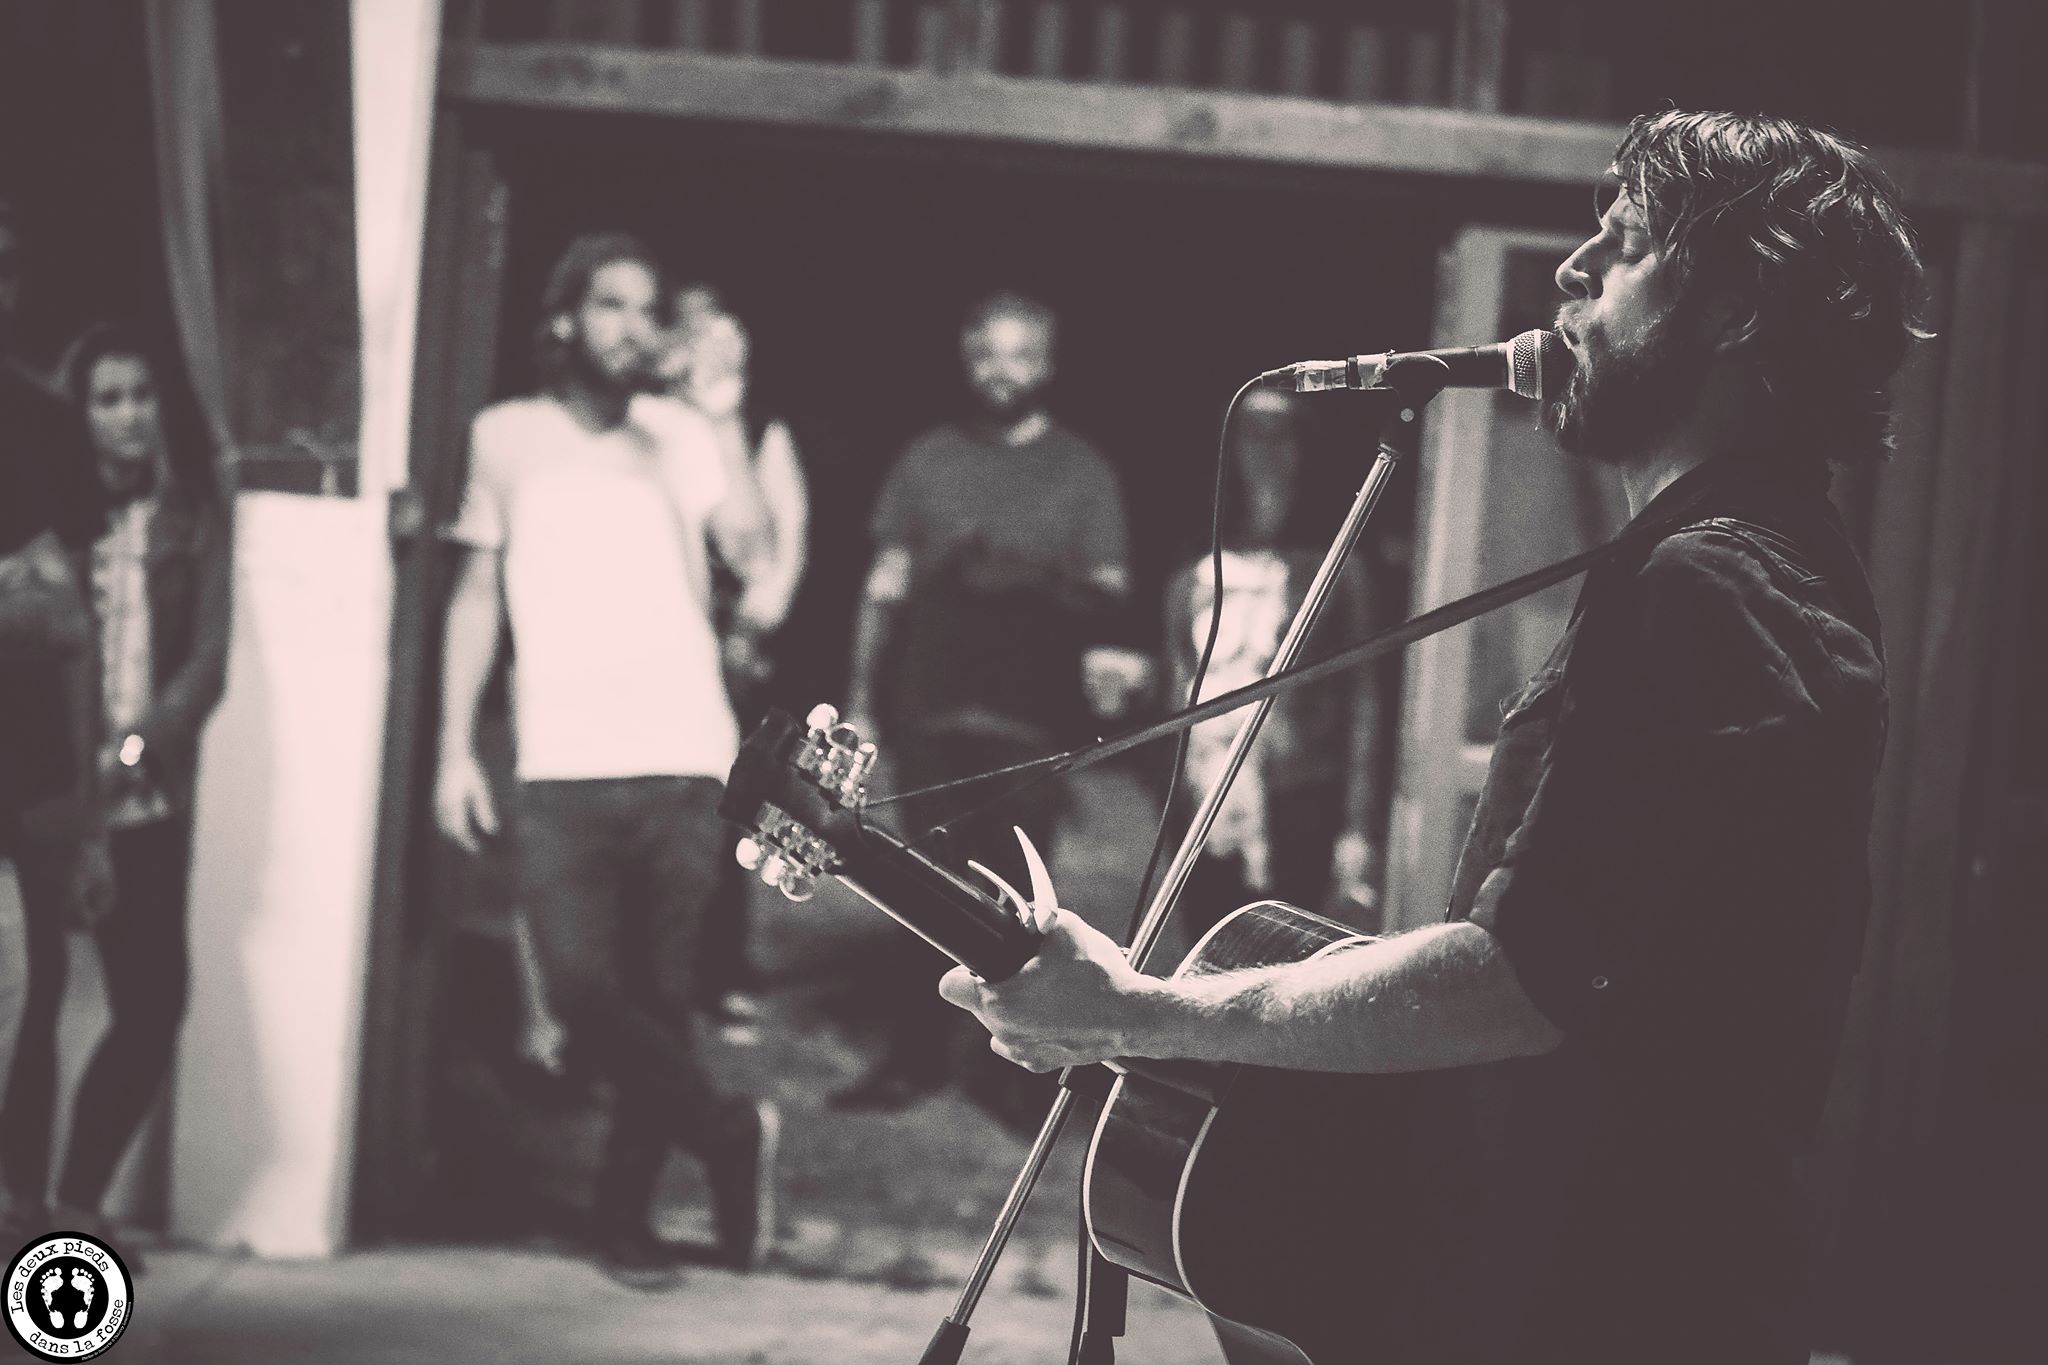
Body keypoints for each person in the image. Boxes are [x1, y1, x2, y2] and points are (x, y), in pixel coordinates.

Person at [939, 111, 1923, 1363]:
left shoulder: (1713, 585)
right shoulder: (1741, 562)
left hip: (1610, 1308)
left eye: (1623, 245)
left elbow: (1519, 980)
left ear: (1733, 309)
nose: (1570, 271)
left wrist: (1137, 1012)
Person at [433, 232, 779, 1283]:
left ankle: (621, 1220)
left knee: (661, 999)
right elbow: (477, 595)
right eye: (611, 305)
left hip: (683, 753)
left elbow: (751, 546)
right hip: (560, 761)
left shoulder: (679, 433)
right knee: (583, 992)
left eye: (646, 308)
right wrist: (452, 747)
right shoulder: (505, 437)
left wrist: (723, 416)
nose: (632, 326)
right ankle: (728, 1131)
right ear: (564, 320)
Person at [832, 290, 1137, 1116]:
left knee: (1018, 906)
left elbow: (1111, 590)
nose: (1004, 371)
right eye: (989, 354)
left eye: (1022, 354)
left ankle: (1017, 1071)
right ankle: (914, 1055)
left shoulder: (1082, 469)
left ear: (1049, 363)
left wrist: (1026, 577)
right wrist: (863, 696)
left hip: (1028, 722)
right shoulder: (926, 458)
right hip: (929, 710)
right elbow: (883, 587)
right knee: (916, 886)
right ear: (967, 359)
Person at [0, 325, 230, 1255]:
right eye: (108, 398)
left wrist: (134, 749)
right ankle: (20, 1202)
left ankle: (77, 1203)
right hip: (47, 786)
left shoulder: (192, 519)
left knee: (153, 1001)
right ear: (79, 414)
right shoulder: (44, 515)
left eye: (142, 395)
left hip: (139, 792)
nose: (130, 415)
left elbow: (207, 662)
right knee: (35, 993)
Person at [1164, 386, 1389, 934]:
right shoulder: (1192, 574)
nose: (1266, 447)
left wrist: (1358, 826)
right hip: (1208, 801)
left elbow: (1364, 699)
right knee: (1206, 951)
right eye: (1251, 431)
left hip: (1300, 796)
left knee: (1288, 953)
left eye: (1281, 431)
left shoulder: (1338, 568)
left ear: (1305, 446)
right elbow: (1177, 696)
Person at [0, 199, 114, 1248]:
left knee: (34, 987)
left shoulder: (42, 422)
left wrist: (87, 800)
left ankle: (22, 1204)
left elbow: (75, 624)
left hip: (30, 759)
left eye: (4, 269)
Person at [664, 284, 809, 1030]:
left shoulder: (755, 429)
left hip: (727, 641)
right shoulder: (645, 424)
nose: (717, 356)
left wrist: (759, 616)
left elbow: (772, 545)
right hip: (652, 635)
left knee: (725, 805)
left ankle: (716, 970)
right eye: (701, 339)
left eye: (731, 344)